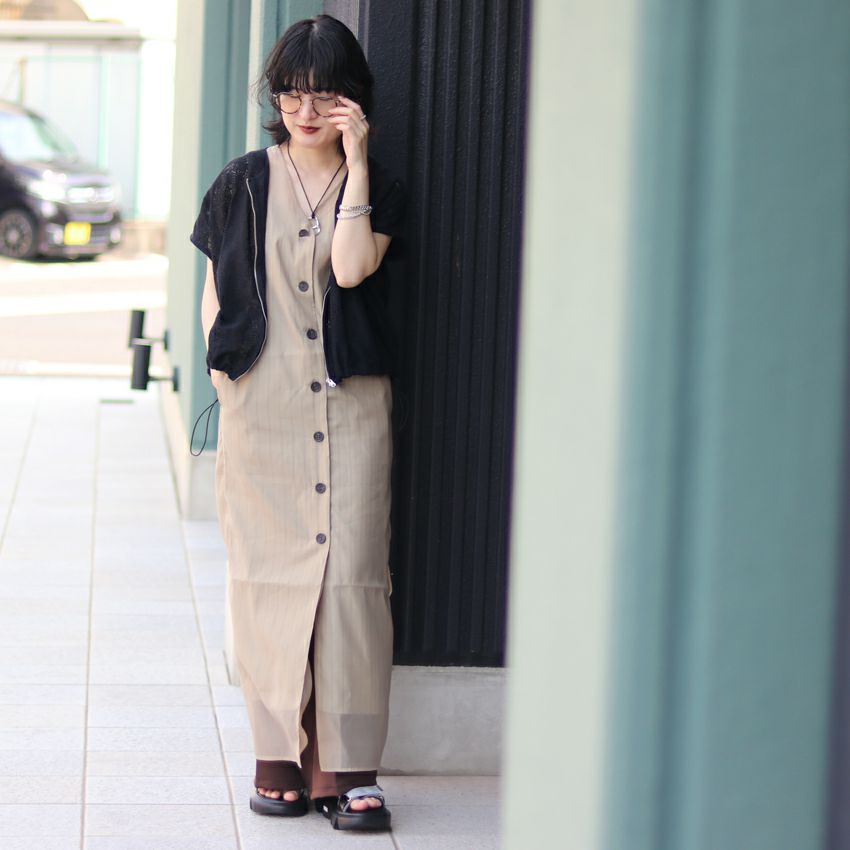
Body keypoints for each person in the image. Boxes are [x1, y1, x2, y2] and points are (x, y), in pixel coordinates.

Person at [189, 14, 405, 832]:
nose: (305, 111)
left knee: (353, 583)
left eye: (323, 95)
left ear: (352, 99)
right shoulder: (241, 182)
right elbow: (215, 294)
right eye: (291, 93)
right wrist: (227, 383)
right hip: (264, 406)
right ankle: (278, 754)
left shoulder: (377, 186)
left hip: (352, 411)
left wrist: (356, 163)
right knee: (267, 579)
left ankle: (347, 767)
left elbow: (350, 268)